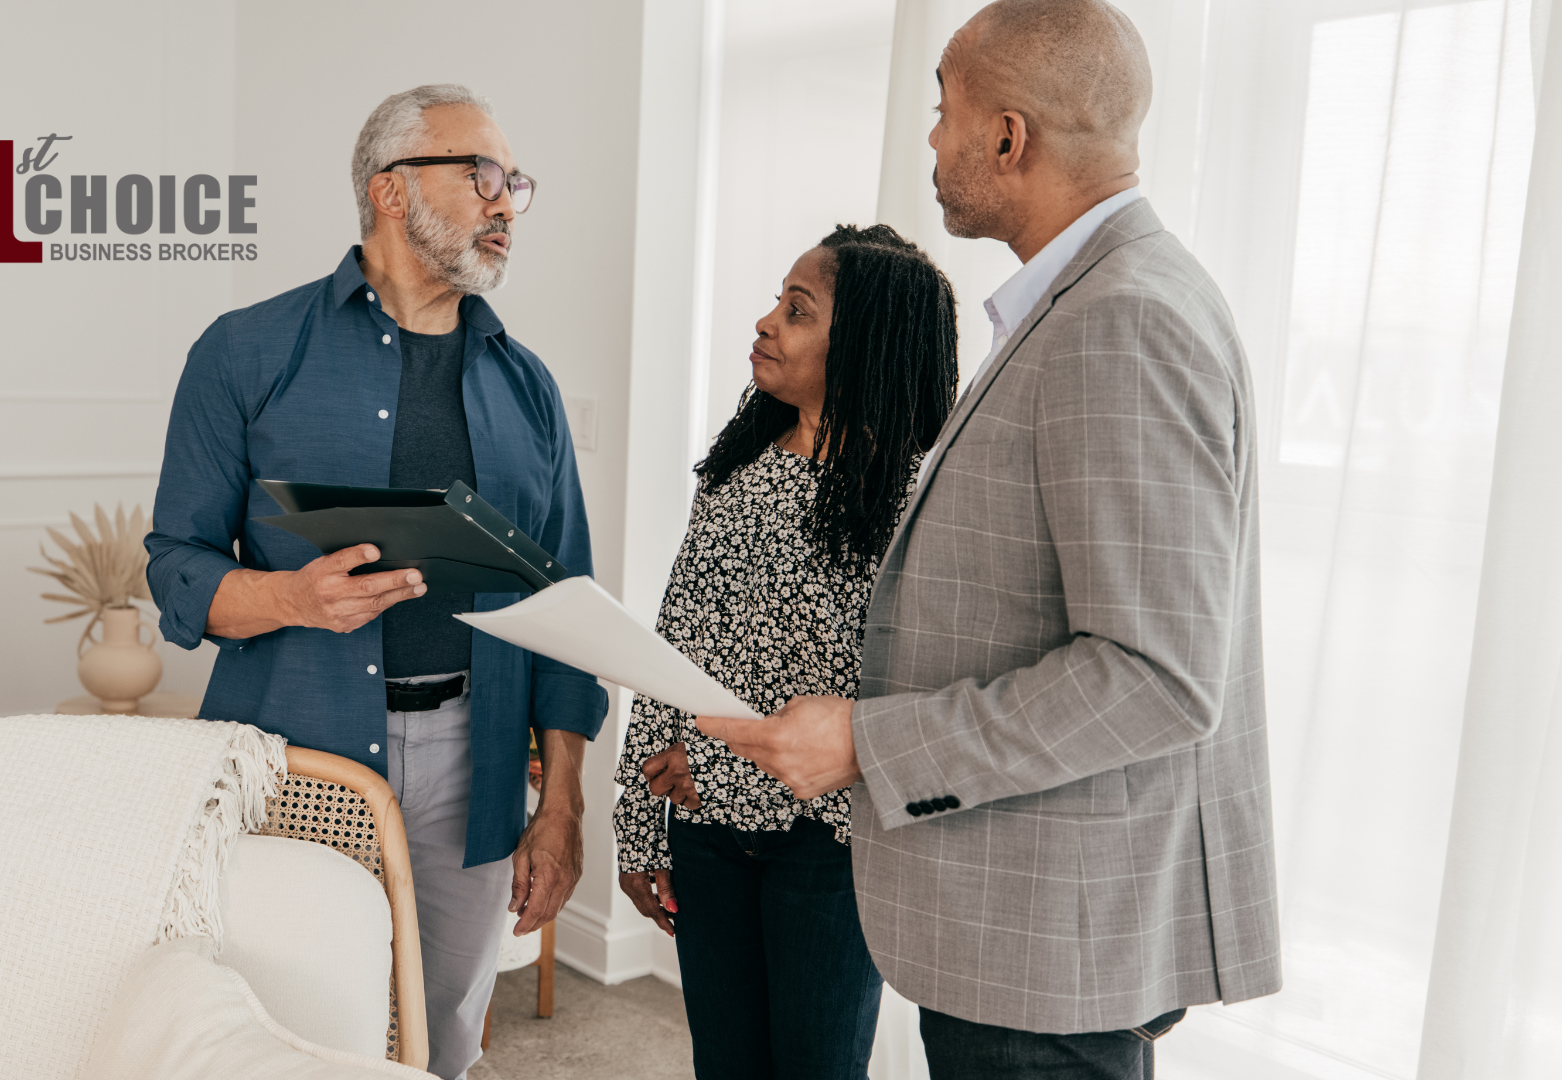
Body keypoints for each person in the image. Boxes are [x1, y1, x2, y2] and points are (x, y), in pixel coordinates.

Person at [695, 3, 1282, 1078]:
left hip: (1049, 951)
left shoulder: (1125, 318)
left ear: (1008, 137)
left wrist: (869, 743)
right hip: (1022, 932)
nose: (930, 138)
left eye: (943, 109)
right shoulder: (1087, 303)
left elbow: (1155, 675)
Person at [144, 84, 607, 1080]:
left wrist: (562, 804)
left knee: (442, 1033)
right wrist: (289, 599)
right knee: (285, 1025)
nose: (505, 206)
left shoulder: (530, 388)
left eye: (516, 185)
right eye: (482, 176)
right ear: (390, 190)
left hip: (477, 761)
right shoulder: (245, 353)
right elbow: (176, 566)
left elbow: (574, 611)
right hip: (291, 754)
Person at [615, 225, 959, 1080]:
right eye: (776, 301)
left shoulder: (923, 500)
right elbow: (678, 632)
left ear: (866, 346)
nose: (766, 323)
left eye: (796, 311)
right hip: (706, 827)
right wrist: (635, 822)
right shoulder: (736, 468)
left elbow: (923, 691)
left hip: (834, 847)